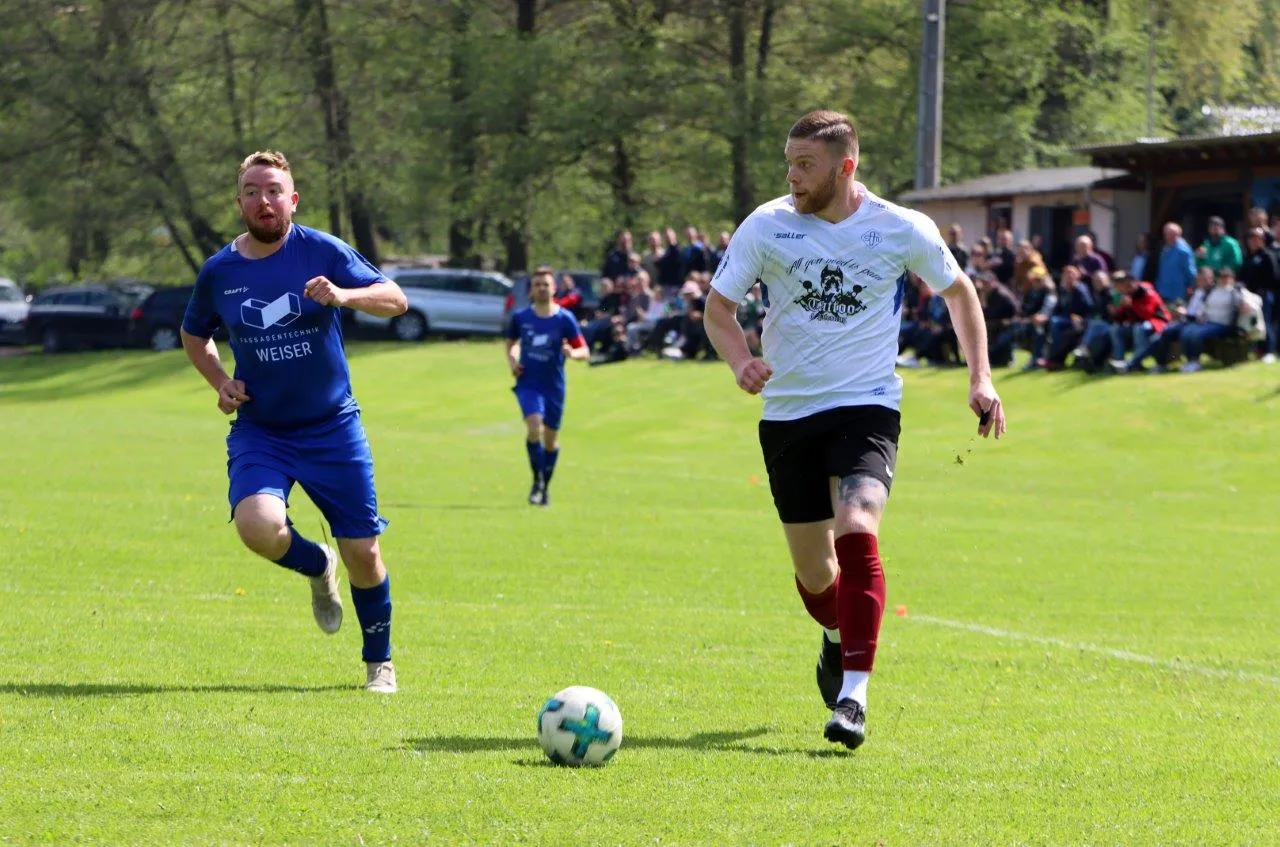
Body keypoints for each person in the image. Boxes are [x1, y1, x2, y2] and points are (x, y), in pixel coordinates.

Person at [703, 110, 1006, 752]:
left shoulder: (901, 227)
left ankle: (854, 698)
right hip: (788, 415)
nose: (792, 176)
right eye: (789, 162)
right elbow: (718, 309)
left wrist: (980, 379)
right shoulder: (767, 224)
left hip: (867, 407)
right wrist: (740, 360)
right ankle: (836, 634)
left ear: (845, 167)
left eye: (804, 165)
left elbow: (960, 294)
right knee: (817, 576)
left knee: (858, 525)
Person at [179, 150, 408, 694]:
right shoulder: (220, 271)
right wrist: (220, 381)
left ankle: (379, 663)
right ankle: (316, 564)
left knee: (364, 553)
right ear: (240, 203)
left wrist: (344, 295)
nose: (264, 201)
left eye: (274, 191)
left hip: (332, 428)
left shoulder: (322, 250)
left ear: (293, 199)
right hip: (263, 431)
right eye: (252, 192)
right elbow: (194, 333)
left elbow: (396, 299)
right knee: (258, 526)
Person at [504, 266, 588, 506]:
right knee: (534, 427)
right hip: (529, 383)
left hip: (554, 386)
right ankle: (537, 481)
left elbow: (584, 351)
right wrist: (513, 361)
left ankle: (545, 487)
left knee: (550, 441)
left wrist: (572, 353)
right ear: (531, 290)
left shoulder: (564, 319)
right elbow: (512, 343)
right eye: (537, 284)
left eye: (546, 284)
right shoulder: (521, 317)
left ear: (554, 288)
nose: (541, 288)